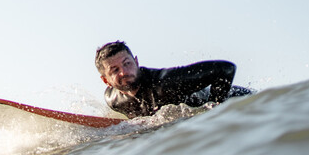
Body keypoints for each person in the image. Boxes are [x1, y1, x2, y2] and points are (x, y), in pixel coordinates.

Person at [95, 40, 251, 118]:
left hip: (242, 101)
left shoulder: (165, 83)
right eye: (115, 70)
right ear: (106, 80)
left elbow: (225, 69)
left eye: (127, 64)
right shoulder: (114, 101)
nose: (124, 72)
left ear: (136, 62)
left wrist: (217, 111)